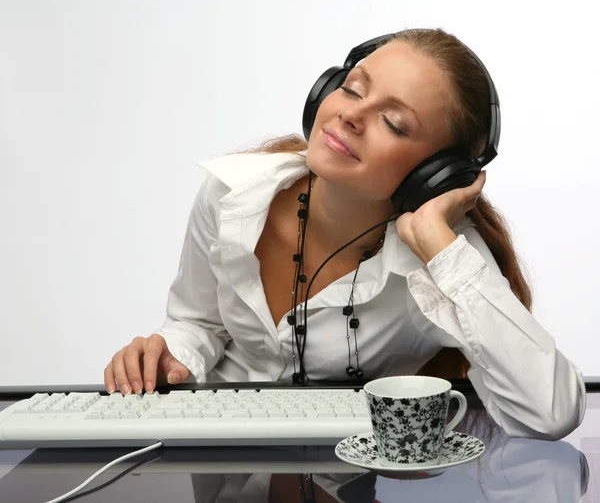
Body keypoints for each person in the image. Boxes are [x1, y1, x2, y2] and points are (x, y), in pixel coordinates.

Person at [104, 28, 585, 440]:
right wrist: (172, 355)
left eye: (394, 123)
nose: (351, 116)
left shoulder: (442, 261)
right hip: (219, 458)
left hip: (347, 474)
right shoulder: (229, 194)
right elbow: (199, 323)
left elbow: (551, 412)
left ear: (435, 174)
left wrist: (444, 251)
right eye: (353, 90)